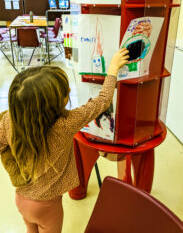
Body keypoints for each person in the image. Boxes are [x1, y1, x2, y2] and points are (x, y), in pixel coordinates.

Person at [0, 48, 129, 233]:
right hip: (47, 206)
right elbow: (103, 101)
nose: (69, 91)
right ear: (50, 106)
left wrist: (13, 163)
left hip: (21, 198)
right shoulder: (65, 125)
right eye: (65, 93)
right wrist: (113, 69)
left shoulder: (10, 119)